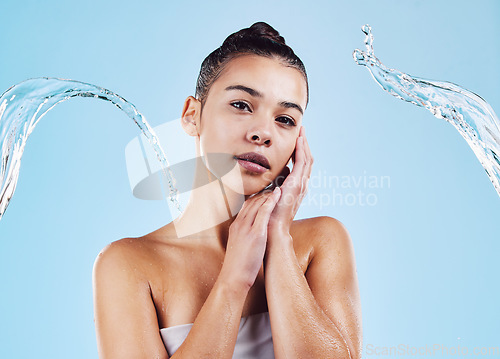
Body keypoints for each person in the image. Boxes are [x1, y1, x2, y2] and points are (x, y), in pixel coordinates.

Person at [93, 22, 362, 359]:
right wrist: (234, 280)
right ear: (193, 115)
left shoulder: (321, 242)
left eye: (285, 119)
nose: (263, 133)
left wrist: (278, 238)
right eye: (241, 105)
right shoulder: (128, 264)